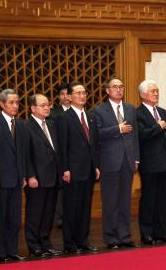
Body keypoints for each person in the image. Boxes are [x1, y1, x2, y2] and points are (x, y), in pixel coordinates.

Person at [94, 77, 140, 249]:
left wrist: (136, 157)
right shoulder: (99, 111)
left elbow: (135, 135)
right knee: (110, 202)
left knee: (125, 201)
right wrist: (117, 129)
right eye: (115, 87)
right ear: (107, 90)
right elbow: (97, 134)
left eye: (121, 87)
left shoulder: (130, 109)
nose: (119, 90)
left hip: (128, 161)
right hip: (109, 162)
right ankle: (111, 237)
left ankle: (125, 236)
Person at [0, 89, 28, 262]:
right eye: (11, 102)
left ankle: (12, 250)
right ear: (2, 104)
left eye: (17, 102)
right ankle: (0, 252)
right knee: (0, 217)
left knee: (14, 218)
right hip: (0, 180)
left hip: (17, 179)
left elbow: (22, 154)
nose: (15, 106)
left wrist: (23, 176)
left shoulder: (20, 124)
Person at [57, 82, 100, 254]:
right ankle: (70, 243)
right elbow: (62, 146)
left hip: (88, 170)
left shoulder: (90, 116)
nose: (82, 96)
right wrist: (65, 169)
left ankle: (83, 240)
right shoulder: (64, 118)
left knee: (85, 207)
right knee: (71, 208)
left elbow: (94, 144)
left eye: (84, 92)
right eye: (78, 93)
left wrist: (96, 166)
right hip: (72, 171)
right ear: (69, 96)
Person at [136, 80, 166, 245]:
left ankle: (161, 232)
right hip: (149, 163)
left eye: (157, 91)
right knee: (149, 199)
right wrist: (157, 127)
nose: (156, 94)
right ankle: (147, 233)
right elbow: (141, 135)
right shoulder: (138, 113)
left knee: (162, 199)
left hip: (164, 162)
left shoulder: (161, 111)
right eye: (153, 91)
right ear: (143, 94)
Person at [25, 94, 62, 257]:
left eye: (48, 105)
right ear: (33, 108)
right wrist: (30, 176)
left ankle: (45, 243)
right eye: (43, 105)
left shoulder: (52, 124)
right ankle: (34, 246)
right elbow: (26, 155)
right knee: (35, 213)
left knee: (48, 213)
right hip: (37, 178)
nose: (47, 108)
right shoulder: (26, 127)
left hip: (53, 177)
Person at [49, 82, 71, 229]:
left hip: (76, 157)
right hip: (59, 156)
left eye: (67, 93)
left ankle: (71, 217)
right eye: (62, 94)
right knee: (61, 191)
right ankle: (60, 218)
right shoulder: (53, 113)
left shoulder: (82, 112)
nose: (65, 97)